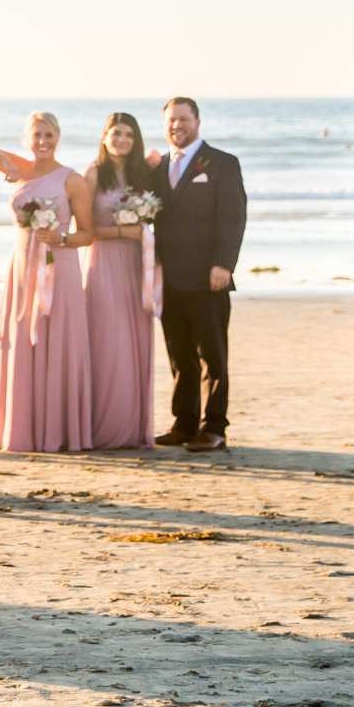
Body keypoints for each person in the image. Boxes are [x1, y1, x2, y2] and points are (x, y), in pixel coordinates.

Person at [0, 113, 92, 452]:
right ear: (27, 138)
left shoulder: (72, 180)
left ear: (59, 136)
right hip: (22, 267)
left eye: (49, 134)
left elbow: (88, 234)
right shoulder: (20, 170)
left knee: (56, 339)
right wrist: (5, 161)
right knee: (20, 339)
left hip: (59, 267)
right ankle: (19, 426)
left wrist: (60, 237)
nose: (43, 141)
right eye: (36, 134)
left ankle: (56, 429)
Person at [149, 97, 247, 453]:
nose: (178, 126)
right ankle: (184, 423)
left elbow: (233, 216)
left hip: (209, 276)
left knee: (213, 356)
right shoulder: (157, 167)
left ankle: (214, 427)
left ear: (198, 121)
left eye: (184, 119)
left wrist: (224, 264)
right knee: (180, 355)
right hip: (169, 277)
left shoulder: (222, 163)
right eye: (172, 121)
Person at [78, 112, 160, 450]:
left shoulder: (145, 175)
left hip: (136, 266)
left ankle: (130, 428)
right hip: (103, 262)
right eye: (116, 133)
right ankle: (103, 427)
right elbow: (86, 230)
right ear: (104, 136)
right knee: (108, 342)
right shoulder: (94, 174)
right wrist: (127, 230)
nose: (122, 139)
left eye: (129, 134)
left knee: (135, 342)